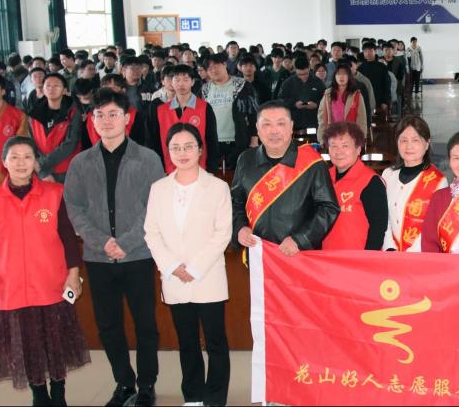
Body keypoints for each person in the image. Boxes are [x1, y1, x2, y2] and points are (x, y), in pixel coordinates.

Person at [64, 89, 165, 407]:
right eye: (100, 115)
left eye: (113, 114)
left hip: (137, 255)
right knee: (108, 325)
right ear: (91, 120)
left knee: (145, 323)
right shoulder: (81, 163)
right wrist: (101, 241)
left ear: (127, 118)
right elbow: (74, 208)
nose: (106, 121)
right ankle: (124, 383)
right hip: (98, 258)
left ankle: (146, 385)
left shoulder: (148, 159)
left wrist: (126, 242)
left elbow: (155, 206)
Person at [0, 136, 90, 405]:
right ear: (4, 162)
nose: (21, 163)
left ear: (36, 161)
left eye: (27, 156)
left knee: (55, 342)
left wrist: (74, 274)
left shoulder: (53, 193)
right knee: (26, 345)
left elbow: (67, 236)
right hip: (10, 285)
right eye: (14, 157)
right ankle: (39, 395)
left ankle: (58, 393)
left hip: (51, 283)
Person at [143, 124, 232, 407]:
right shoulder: (158, 188)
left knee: (216, 341)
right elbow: (151, 233)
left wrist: (194, 268)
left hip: (208, 276)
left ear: (200, 150)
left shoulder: (218, 187)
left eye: (189, 146)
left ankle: (215, 398)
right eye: (176, 148)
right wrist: (171, 266)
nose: (182, 153)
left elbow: (223, 233)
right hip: (174, 278)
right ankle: (193, 396)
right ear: (168, 151)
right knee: (187, 341)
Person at [232, 101, 339, 256]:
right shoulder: (246, 160)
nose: (274, 131)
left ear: (291, 127)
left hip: (298, 254)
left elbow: (328, 208)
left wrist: (300, 239)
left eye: (281, 124)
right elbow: (236, 202)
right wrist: (240, 227)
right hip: (258, 253)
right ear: (257, 129)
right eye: (266, 124)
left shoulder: (312, 162)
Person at [381, 116, 447, 251]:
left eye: (415, 140)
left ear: (427, 144)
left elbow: (434, 225)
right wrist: (389, 247)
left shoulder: (438, 181)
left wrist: (410, 255)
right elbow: (383, 217)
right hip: (389, 253)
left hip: (420, 255)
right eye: (403, 140)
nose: (409, 146)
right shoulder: (388, 175)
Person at [322, 121, 388, 250]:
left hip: (356, 258)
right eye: (333, 146)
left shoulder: (371, 182)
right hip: (326, 257)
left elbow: (378, 228)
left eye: (345, 146)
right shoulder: (323, 178)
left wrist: (366, 258)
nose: (338, 151)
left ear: (358, 149)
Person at [148, 64, 220, 174]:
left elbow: (212, 140)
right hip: (169, 170)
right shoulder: (161, 110)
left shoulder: (204, 107)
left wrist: (211, 169)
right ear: (171, 83)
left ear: (192, 82)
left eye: (186, 80)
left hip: (199, 169)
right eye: (177, 80)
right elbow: (155, 142)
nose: (181, 84)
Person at [201, 53, 258, 171]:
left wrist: (254, 139)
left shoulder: (242, 85)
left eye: (216, 65)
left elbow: (253, 113)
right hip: (212, 142)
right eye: (209, 68)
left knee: (238, 174)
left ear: (225, 64)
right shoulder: (204, 90)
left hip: (238, 140)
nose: (213, 70)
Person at [27, 72, 83, 183]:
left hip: (67, 169)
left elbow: (71, 142)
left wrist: (43, 164)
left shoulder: (73, 112)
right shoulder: (34, 114)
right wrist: (42, 171)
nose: (51, 89)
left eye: (56, 86)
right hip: (42, 171)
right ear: (43, 89)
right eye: (48, 85)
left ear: (64, 90)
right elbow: (31, 142)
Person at [317, 63, 369, 143]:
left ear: (349, 76)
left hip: (351, 135)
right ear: (334, 77)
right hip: (332, 135)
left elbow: (362, 119)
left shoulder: (356, 95)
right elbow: (322, 119)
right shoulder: (328, 94)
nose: (341, 77)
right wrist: (321, 139)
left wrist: (362, 138)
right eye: (338, 74)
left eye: (344, 74)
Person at [279, 56, 325, 132]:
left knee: (312, 139)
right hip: (293, 123)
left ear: (309, 68)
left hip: (313, 122)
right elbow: (282, 101)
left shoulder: (318, 82)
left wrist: (316, 105)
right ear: (295, 70)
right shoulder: (288, 83)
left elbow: (325, 100)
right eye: (300, 74)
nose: (303, 77)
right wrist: (294, 104)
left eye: (306, 74)